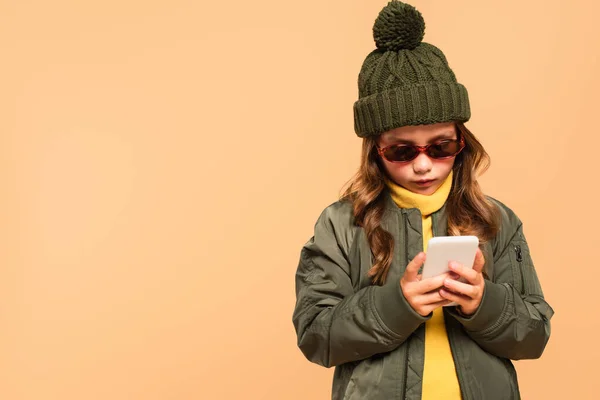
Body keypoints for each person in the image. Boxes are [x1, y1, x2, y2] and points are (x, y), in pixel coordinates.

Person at [291, 1, 554, 399]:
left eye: (440, 147)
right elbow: (315, 335)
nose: (423, 166)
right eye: (402, 151)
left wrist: (483, 302)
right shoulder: (342, 224)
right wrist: (398, 304)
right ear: (375, 150)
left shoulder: (496, 220)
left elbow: (533, 337)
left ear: (462, 143)